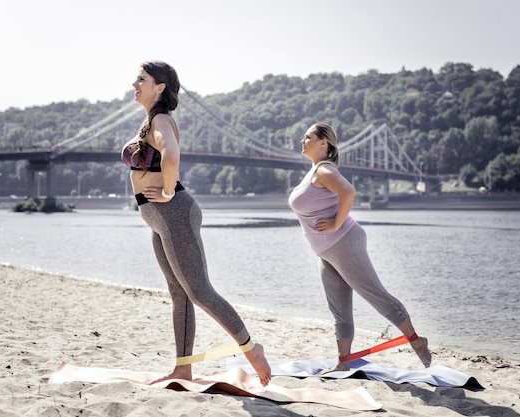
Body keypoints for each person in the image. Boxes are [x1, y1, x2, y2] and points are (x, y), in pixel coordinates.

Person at [121, 60, 271, 386]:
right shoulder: (152, 120)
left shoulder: (160, 118)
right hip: (160, 217)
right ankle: (184, 367)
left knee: (200, 292)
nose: (135, 83)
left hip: (173, 212)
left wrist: (168, 190)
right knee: (180, 295)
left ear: (159, 87)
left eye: (141, 79)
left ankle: (251, 348)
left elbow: (171, 156)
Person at [288, 122, 432, 373]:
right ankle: (343, 362)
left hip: (343, 242)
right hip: (326, 252)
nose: (303, 140)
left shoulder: (323, 170)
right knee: (339, 309)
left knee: (376, 296)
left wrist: (334, 224)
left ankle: (416, 341)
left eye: (308, 136)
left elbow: (349, 192)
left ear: (324, 143)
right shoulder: (313, 171)